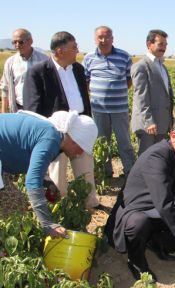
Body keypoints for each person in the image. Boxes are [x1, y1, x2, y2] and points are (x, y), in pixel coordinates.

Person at [112, 117, 175, 282]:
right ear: (173, 136)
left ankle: (158, 242)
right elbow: (164, 202)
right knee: (138, 225)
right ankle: (136, 261)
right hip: (145, 210)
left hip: (167, 212)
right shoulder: (157, 157)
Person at [23, 31, 102, 210]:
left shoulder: (79, 69)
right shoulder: (38, 72)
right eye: (74, 47)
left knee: (85, 168)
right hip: (54, 130)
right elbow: (32, 109)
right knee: (57, 172)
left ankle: (90, 203)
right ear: (59, 51)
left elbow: (84, 99)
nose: (77, 51)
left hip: (79, 127)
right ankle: (60, 207)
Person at [0, 111, 97, 237]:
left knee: (17, 205)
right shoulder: (51, 139)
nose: (79, 154)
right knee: (15, 205)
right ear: (74, 140)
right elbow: (32, 182)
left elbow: (33, 166)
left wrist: (47, 182)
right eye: (81, 148)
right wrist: (48, 224)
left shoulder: (54, 140)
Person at [83, 26, 135, 178]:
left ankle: (129, 171)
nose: (103, 40)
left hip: (120, 108)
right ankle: (105, 172)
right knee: (102, 142)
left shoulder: (124, 56)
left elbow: (129, 80)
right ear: (95, 39)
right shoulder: (88, 58)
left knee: (124, 141)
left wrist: (115, 91)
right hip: (98, 109)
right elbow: (86, 81)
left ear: (113, 39)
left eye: (107, 37)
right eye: (100, 37)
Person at [131, 29, 174, 156]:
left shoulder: (162, 66)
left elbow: (167, 96)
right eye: (160, 44)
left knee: (158, 157)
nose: (164, 48)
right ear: (149, 44)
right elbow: (141, 97)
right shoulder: (141, 66)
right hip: (148, 125)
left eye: (165, 45)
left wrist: (170, 121)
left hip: (161, 122)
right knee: (146, 157)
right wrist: (148, 121)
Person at [1, 28, 48, 113]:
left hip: (41, 108)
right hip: (19, 108)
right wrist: (3, 113)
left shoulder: (44, 60)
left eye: (20, 42)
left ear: (30, 41)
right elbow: (5, 88)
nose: (17, 45)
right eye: (14, 42)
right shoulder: (10, 62)